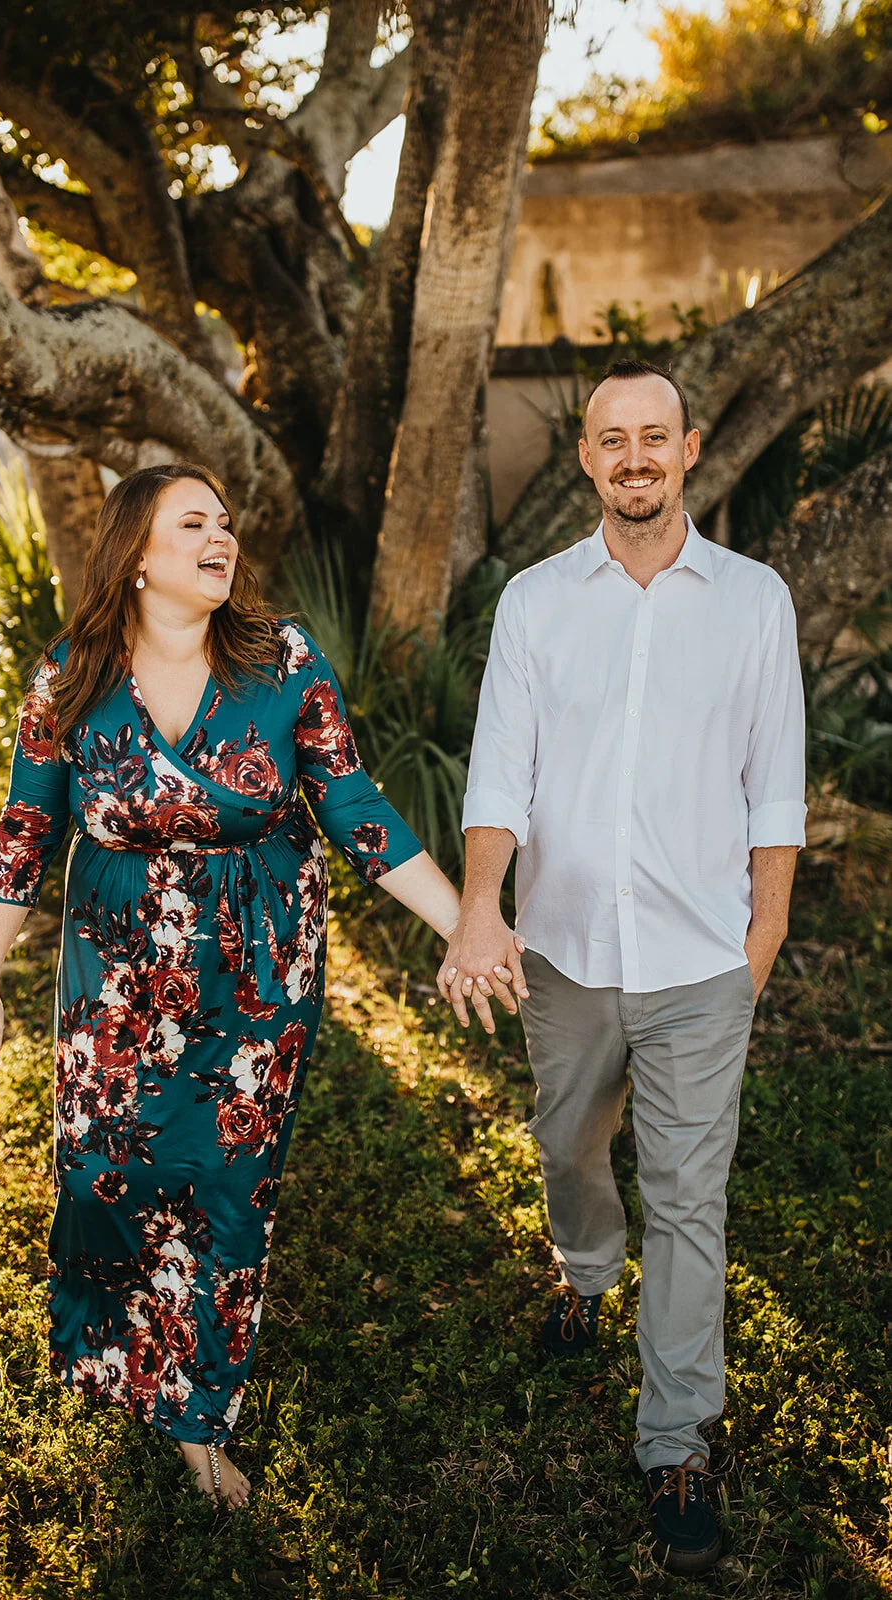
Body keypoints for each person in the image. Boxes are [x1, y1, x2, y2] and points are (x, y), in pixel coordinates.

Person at [0, 462, 475, 1511]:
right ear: (136, 556)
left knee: (225, 1189)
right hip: (116, 973)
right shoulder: (70, 680)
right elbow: (24, 832)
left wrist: (465, 920)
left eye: (225, 522)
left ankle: (197, 1418)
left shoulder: (280, 661)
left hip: (253, 970)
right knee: (105, 1167)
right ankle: (114, 1360)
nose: (220, 536)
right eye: (192, 521)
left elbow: (354, 802)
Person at [438, 359, 806, 1575]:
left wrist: (754, 953)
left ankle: (676, 1440)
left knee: (691, 1199)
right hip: (568, 953)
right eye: (612, 439)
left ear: (689, 449)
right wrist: (480, 905)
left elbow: (775, 795)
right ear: (587, 458)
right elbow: (500, 773)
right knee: (567, 1143)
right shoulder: (536, 603)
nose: (634, 457)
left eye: (655, 436)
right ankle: (584, 1269)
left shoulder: (752, 601)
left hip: (704, 959)